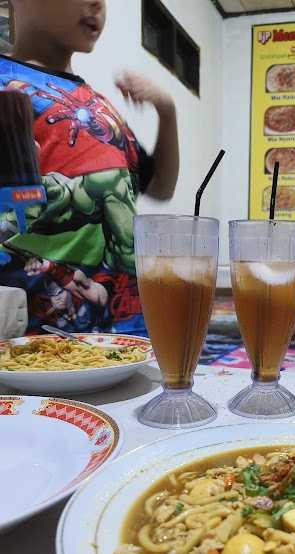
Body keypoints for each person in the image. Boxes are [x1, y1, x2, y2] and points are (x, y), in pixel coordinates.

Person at [0, 0, 179, 335]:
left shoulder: (99, 108)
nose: (97, 4)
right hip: (32, 342)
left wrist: (167, 112)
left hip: (124, 334)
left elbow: (158, 186)